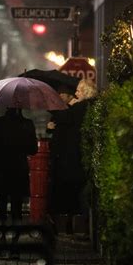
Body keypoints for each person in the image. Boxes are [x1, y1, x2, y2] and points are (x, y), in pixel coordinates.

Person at [0, 107, 38, 250]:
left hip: (0, 169)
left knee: (1, 206)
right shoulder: (27, 124)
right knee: (17, 207)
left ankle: (2, 239)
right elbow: (33, 149)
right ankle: (15, 241)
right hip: (19, 170)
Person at [47, 79, 98, 234]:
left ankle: (70, 226)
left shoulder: (82, 107)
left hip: (73, 159)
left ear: (86, 92)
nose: (75, 94)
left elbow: (65, 118)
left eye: (78, 91)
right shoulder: (86, 107)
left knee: (71, 193)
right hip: (76, 157)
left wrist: (67, 106)